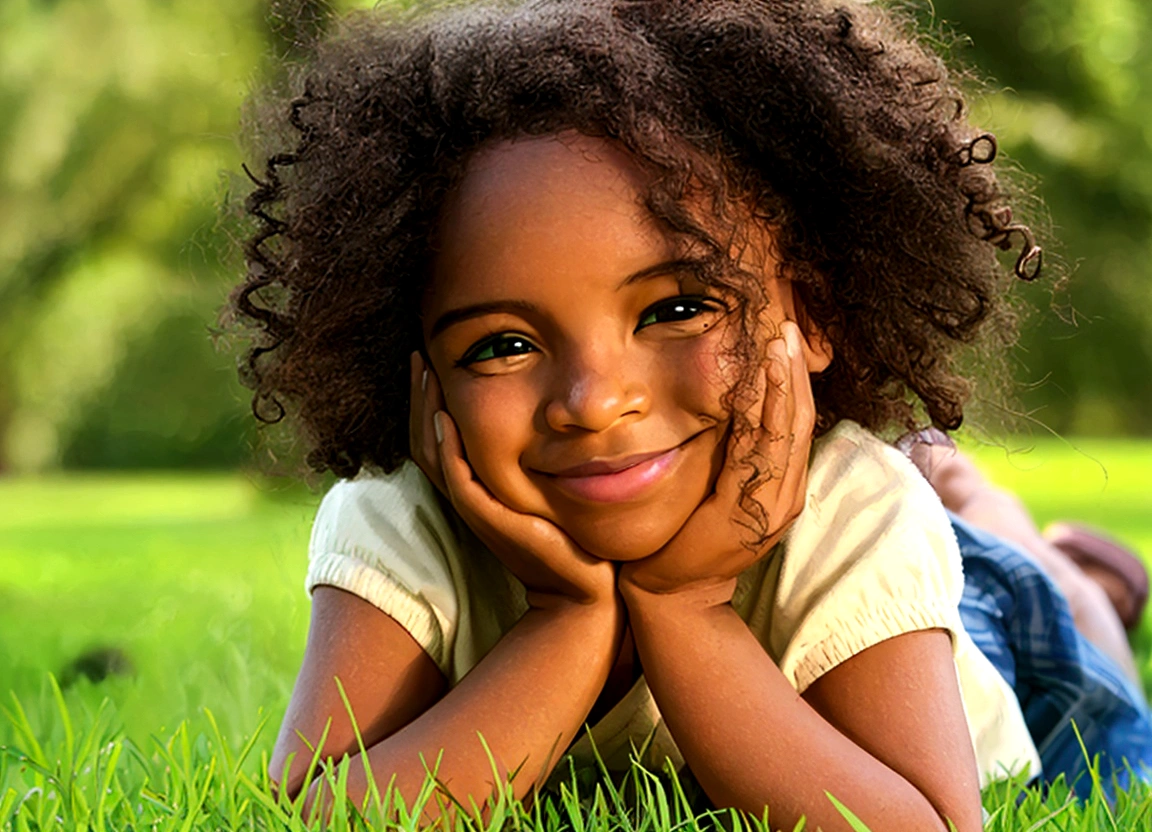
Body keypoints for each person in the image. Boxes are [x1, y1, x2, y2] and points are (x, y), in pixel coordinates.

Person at [228, 1, 1152, 828]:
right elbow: (318, 812)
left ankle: (1056, 562)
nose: (594, 403)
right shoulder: (402, 516)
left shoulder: (856, 510)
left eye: (674, 310)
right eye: (502, 345)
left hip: (955, 628)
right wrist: (563, 619)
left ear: (813, 313)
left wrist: (684, 606)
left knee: (1068, 648)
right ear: (417, 368)